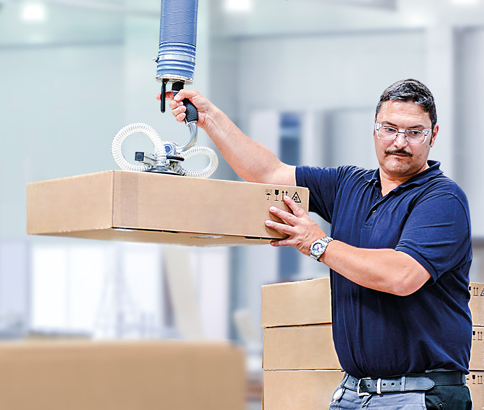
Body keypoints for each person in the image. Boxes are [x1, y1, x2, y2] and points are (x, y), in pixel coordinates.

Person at [162, 79, 473, 410]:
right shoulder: (348, 185)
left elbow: (402, 276)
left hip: (417, 395)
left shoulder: (442, 199)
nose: (400, 142)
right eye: (390, 129)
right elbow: (268, 173)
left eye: (415, 132)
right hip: (355, 392)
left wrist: (318, 243)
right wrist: (209, 116)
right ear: (375, 130)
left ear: (433, 136)